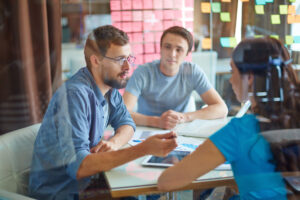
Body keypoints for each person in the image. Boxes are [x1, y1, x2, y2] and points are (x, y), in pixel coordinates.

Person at [29, 25, 177, 200]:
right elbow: (80, 167)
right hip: (61, 193)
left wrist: (114, 143)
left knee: (142, 193)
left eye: (129, 58)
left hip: (87, 184)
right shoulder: (74, 96)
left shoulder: (109, 88)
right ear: (96, 61)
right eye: (120, 59)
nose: (128, 66)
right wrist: (144, 149)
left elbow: (127, 123)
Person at [157, 37, 300, 199]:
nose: (231, 80)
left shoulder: (241, 130)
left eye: (233, 71)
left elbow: (166, 182)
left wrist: (179, 165)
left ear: (250, 77)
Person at [123, 26, 228, 130]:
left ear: (187, 53)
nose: (172, 54)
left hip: (181, 129)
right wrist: (157, 122)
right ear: (160, 48)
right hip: (147, 129)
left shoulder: (192, 71)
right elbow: (123, 112)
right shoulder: (143, 72)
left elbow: (221, 109)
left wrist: (185, 117)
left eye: (179, 50)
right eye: (167, 47)